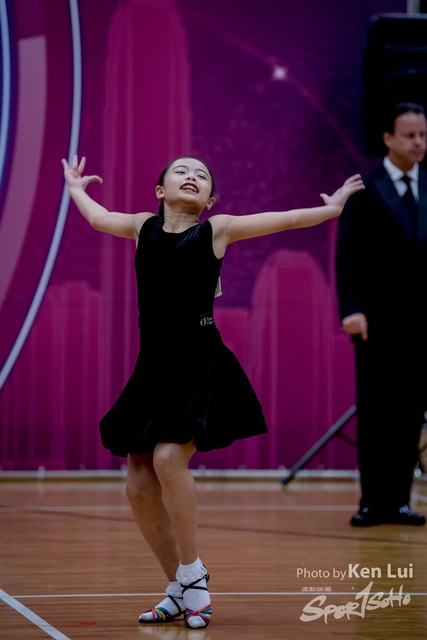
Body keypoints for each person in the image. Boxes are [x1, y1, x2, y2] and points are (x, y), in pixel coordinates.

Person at [62, 154, 363, 626]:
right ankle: (179, 587)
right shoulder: (142, 227)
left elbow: (284, 219)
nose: (192, 177)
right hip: (153, 367)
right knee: (138, 477)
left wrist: (332, 207)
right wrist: (76, 189)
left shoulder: (216, 231)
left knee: (167, 459)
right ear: (160, 191)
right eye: (181, 172)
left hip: (199, 361)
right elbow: (100, 218)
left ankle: (194, 573)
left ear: (210, 200)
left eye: (201, 175)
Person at [336, 102, 427, 527]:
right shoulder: (365, 189)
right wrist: (351, 308)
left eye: (423, 135)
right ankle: (372, 502)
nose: (418, 142)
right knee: (375, 412)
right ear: (388, 138)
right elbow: (348, 257)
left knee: (411, 414)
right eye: (410, 135)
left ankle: (400, 501)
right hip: (375, 322)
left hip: (421, 324)